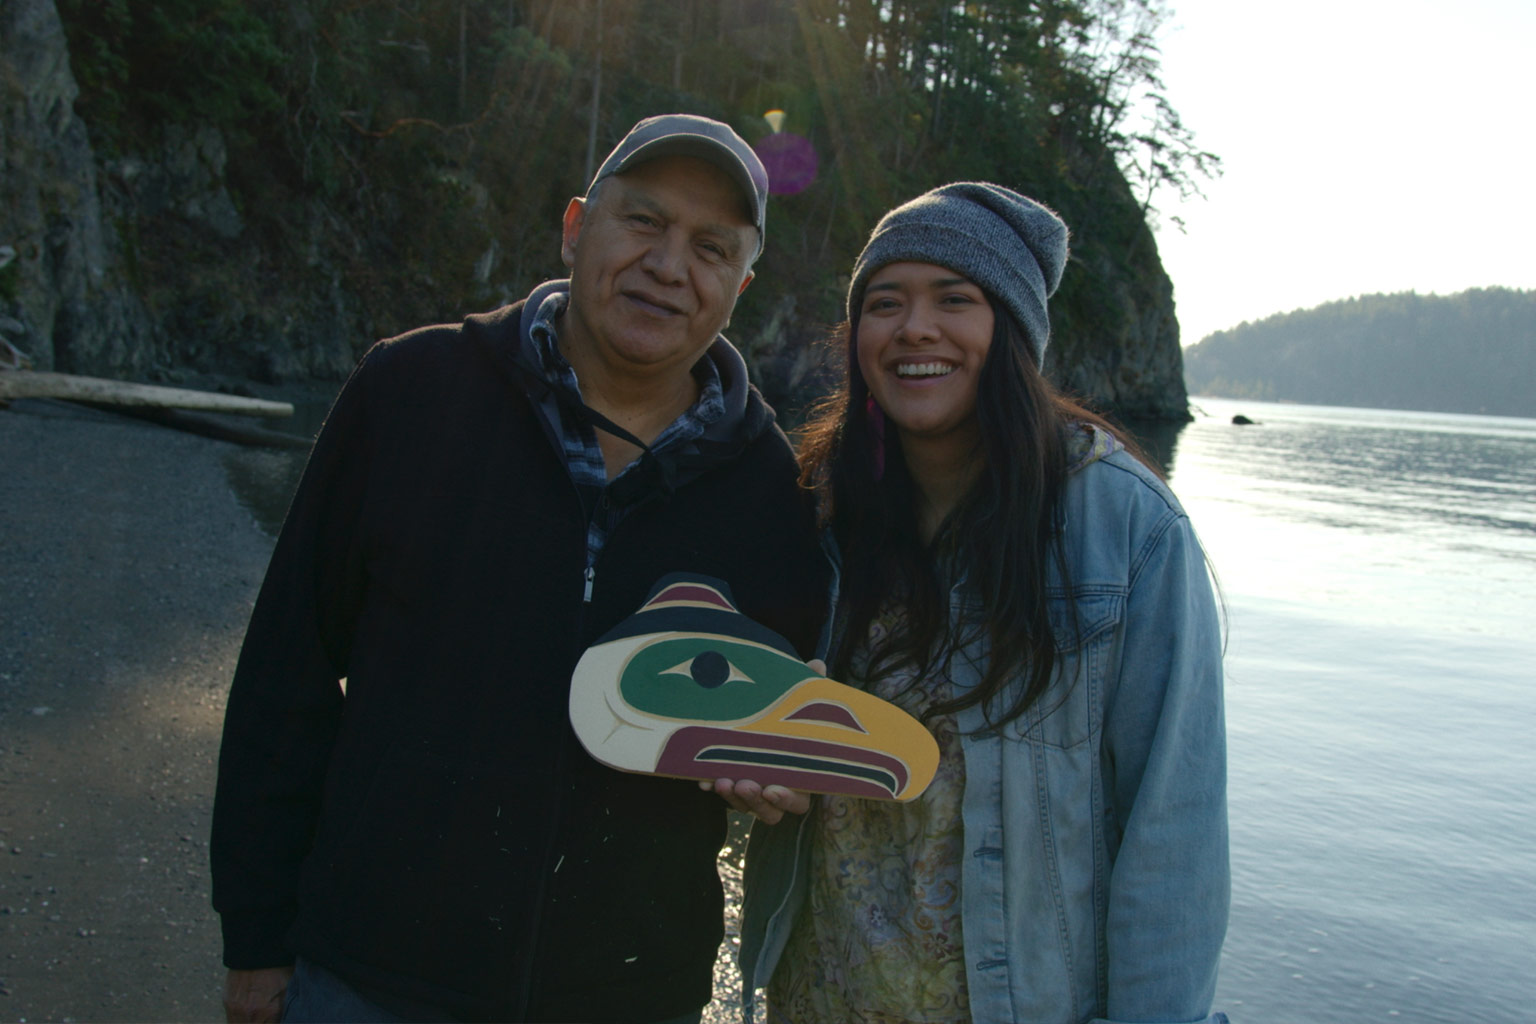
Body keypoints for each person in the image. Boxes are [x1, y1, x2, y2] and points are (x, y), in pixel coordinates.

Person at [210, 113, 828, 1024]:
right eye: (644, 222)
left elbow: (771, 718)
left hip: (628, 997)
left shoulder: (770, 486)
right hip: (368, 975)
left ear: (740, 284)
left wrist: (780, 768)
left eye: (710, 247)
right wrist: (257, 939)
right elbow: (285, 671)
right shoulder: (409, 393)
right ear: (578, 227)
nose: (668, 265)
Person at [737, 183, 1230, 1024]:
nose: (915, 328)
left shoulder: (1125, 531)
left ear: (1012, 332)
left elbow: (1172, 838)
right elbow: (761, 728)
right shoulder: (820, 510)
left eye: (954, 300)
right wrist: (760, 770)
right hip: (821, 996)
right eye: (885, 304)